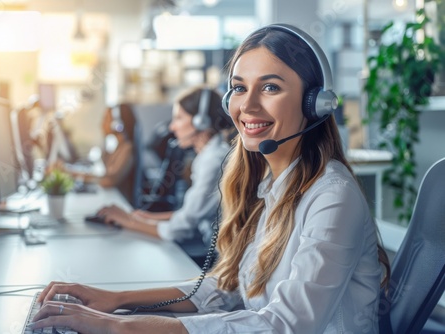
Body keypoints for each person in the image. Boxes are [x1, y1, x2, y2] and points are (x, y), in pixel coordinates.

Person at [30, 23, 390, 333]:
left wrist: (118, 326)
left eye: (270, 88)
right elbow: (226, 289)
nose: (247, 106)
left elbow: (286, 325)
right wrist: (116, 300)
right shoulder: (270, 184)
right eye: (239, 87)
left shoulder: (332, 196)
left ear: (315, 103)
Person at [95, 86, 234, 263]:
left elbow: (182, 227)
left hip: (222, 259)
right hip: (213, 250)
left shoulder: (214, 161)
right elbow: (191, 212)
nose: (171, 126)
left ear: (201, 122)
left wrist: (128, 222)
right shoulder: (207, 156)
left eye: (179, 118)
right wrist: (147, 218)